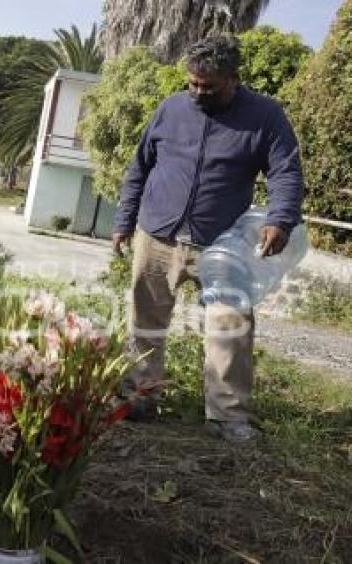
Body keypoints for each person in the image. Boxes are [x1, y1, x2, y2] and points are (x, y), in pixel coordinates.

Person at [111, 36, 305, 443]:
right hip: (157, 233)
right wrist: (123, 220)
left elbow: (285, 170)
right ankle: (142, 395)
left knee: (229, 325)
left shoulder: (265, 116)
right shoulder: (171, 108)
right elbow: (140, 166)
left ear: (234, 78)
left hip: (221, 243)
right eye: (193, 84)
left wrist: (281, 219)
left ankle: (227, 415)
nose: (198, 92)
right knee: (146, 319)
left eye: (209, 86)